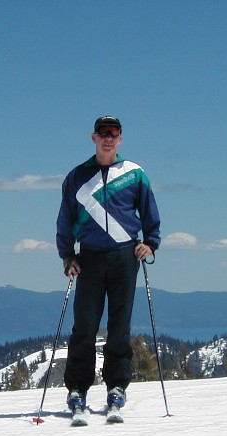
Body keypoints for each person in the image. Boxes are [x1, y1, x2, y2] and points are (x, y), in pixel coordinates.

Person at [56, 115, 161, 419]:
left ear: (120, 139)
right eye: (103, 133)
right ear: (94, 137)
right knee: (84, 327)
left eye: (113, 134)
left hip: (124, 257)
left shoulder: (134, 174)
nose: (108, 138)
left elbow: (150, 213)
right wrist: (67, 256)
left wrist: (150, 244)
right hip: (89, 258)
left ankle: (117, 387)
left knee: (119, 327)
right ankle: (77, 389)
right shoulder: (77, 177)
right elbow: (65, 219)